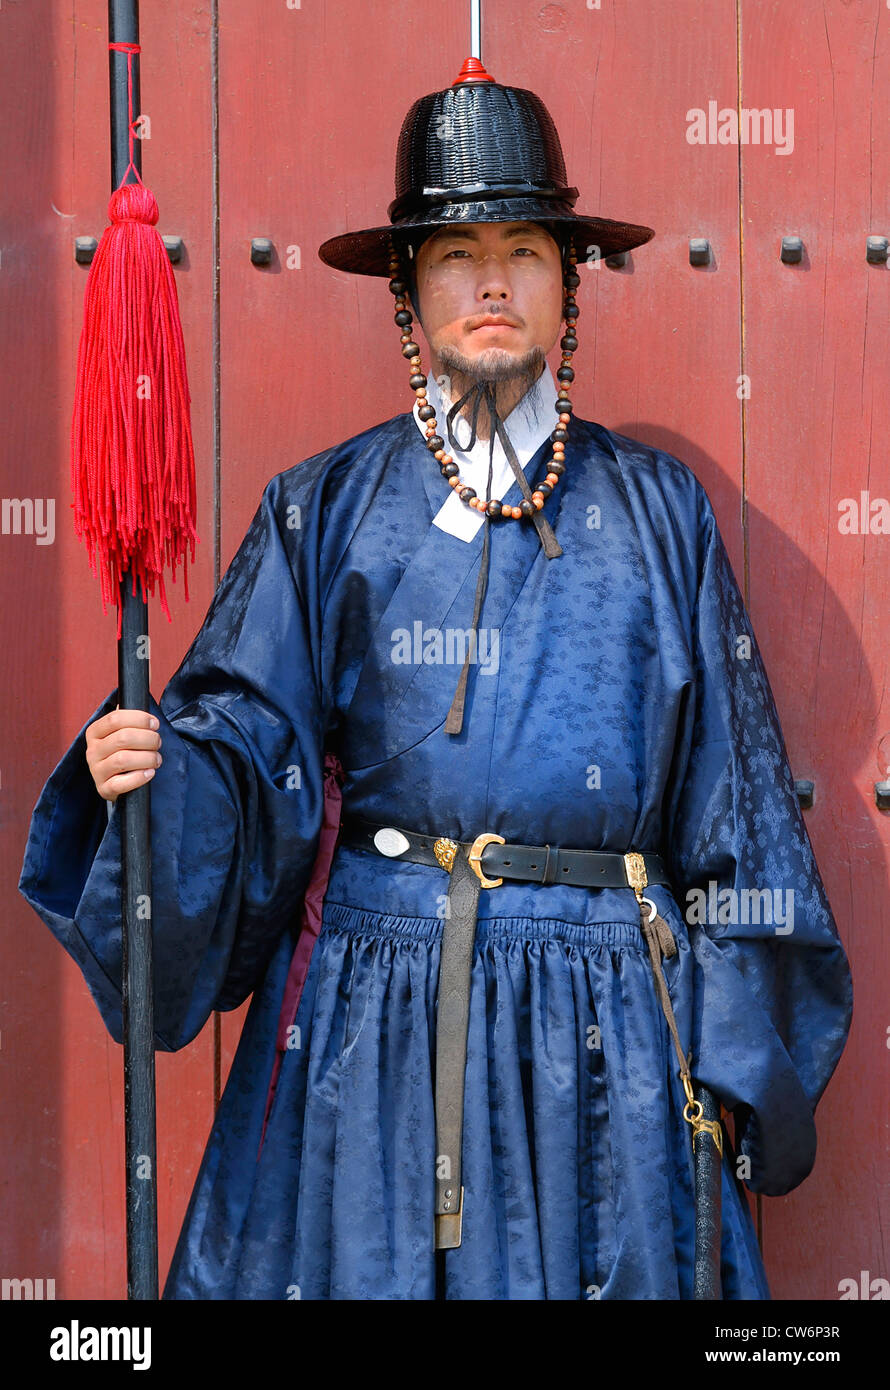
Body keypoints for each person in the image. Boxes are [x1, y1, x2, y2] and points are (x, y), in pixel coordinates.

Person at [19, 57, 852, 1300]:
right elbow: (250, 747)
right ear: (406, 289)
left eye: (523, 249)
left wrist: (733, 1071)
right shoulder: (326, 509)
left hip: (609, 1031)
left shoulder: (657, 514)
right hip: (372, 1019)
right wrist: (155, 774)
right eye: (457, 254)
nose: (492, 283)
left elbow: (730, 810)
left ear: (569, 284)